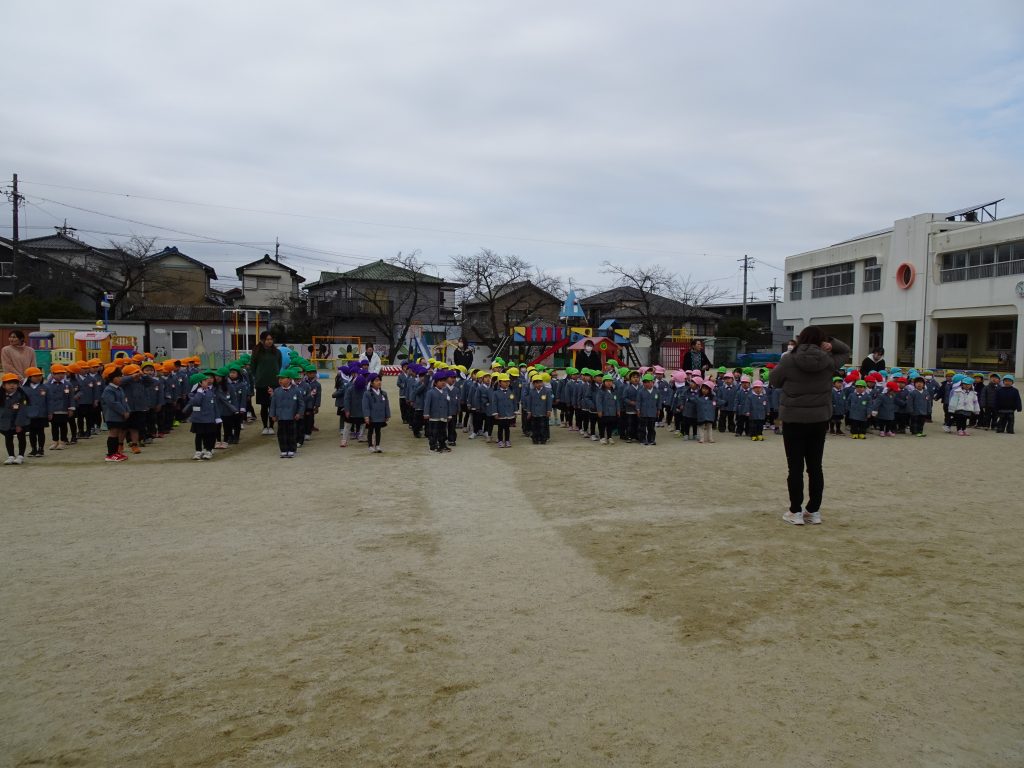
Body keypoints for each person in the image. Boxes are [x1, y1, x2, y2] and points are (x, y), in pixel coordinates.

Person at [769, 326, 851, 525]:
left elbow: (774, 381)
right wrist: (830, 342)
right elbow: (845, 351)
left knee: (795, 467)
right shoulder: (828, 360)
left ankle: (795, 511)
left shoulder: (789, 359)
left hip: (794, 418)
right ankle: (813, 511)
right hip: (819, 418)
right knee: (815, 467)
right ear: (821, 341)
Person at [250, 332, 282, 434]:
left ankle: (271, 426)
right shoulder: (256, 352)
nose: (270, 341)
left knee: (273, 405)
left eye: (271, 339)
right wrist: (258, 377)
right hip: (261, 383)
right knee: (264, 406)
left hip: (274, 382)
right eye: (267, 339)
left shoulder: (277, 352)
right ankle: (265, 426)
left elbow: (279, 365)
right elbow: (253, 367)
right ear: (262, 340)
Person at [269, 368, 303, 458]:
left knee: (292, 433)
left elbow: (301, 403)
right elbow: (273, 404)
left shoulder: (296, 390)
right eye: (279, 379)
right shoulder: (277, 391)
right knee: (281, 434)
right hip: (280, 416)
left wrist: (299, 413)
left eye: (282, 378)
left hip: (292, 416)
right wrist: (272, 415)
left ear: (289, 379)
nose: (280, 380)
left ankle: (292, 449)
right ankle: (283, 450)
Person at [1, 372, 30, 464]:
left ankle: (20, 456)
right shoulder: (1, 395)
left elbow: (23, 411)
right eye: (9, 383)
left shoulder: (21, 396)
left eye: (14, 383)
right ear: (4, 385)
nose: (12, 385)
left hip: (19, 421)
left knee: (21, 437)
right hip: (6, 422)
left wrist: (19, 424)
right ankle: (11, 456)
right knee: (8, 438)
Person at [361, 372, 390, 453]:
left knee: (378, 431)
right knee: (370, 430)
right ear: (371, 383)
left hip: (380, 415)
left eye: (379, 380)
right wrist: (366, 416)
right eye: (376, 380)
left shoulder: (383, 393)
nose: (379, 382)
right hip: (372, 416)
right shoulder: (367, 394)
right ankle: (370, 446)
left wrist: (387, 415)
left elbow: (386, 405)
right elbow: (365, 406)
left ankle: (377, 445)